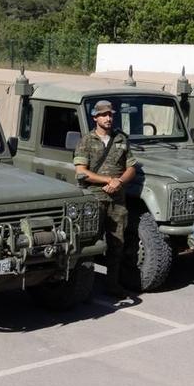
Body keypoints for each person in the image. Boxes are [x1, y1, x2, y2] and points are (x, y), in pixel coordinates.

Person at [73, 98, 138, 294]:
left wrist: (119, 182)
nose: (108, 118)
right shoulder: (86, 141)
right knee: (89, 244)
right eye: (103, 115)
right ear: (95, 117)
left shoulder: (121, 139)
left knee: (117, 244)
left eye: (110, 114)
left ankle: (112, 284)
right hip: (94, 199)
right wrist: (108, 180)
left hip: (117, 200)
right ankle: (84, 287)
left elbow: (131, 168)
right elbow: (81, 172)